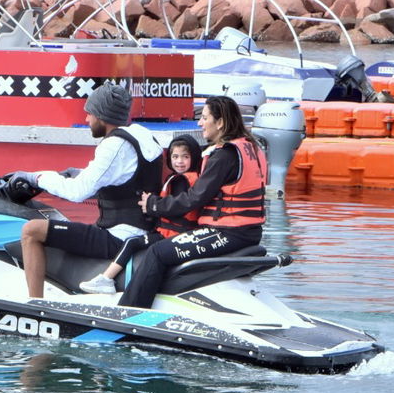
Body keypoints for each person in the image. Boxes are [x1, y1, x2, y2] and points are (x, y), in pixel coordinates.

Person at [115, 95, 268, 310]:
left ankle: (129, 312)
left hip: (228, 233)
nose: (200, 123)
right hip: (249, 232)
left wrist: (154, 205)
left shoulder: (224, 156)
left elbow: (194, 198)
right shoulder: (252, 148)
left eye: (205, 118)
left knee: (158, 252)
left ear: (221, 122)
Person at [14, 82, 163, 298]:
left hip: (118, 236)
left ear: (102, 116)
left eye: (90, 114)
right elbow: (122, 178)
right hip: (141, 230)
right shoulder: (141, 135)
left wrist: (36, 177)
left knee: (31, 231)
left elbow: (78, 192)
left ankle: (35, 303)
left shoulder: (114, 145)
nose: (87, 120)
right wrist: (77, 172)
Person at [76, 132, 203, 294]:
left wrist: (152, 205)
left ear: (194, 157)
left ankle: (106, 279)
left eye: (185, 157)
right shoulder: (184, 178)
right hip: (170, 231)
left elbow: (175, 208)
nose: (179, 161)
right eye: (175, 156)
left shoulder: (181, 181)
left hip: (172, 235)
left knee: (132, 242)